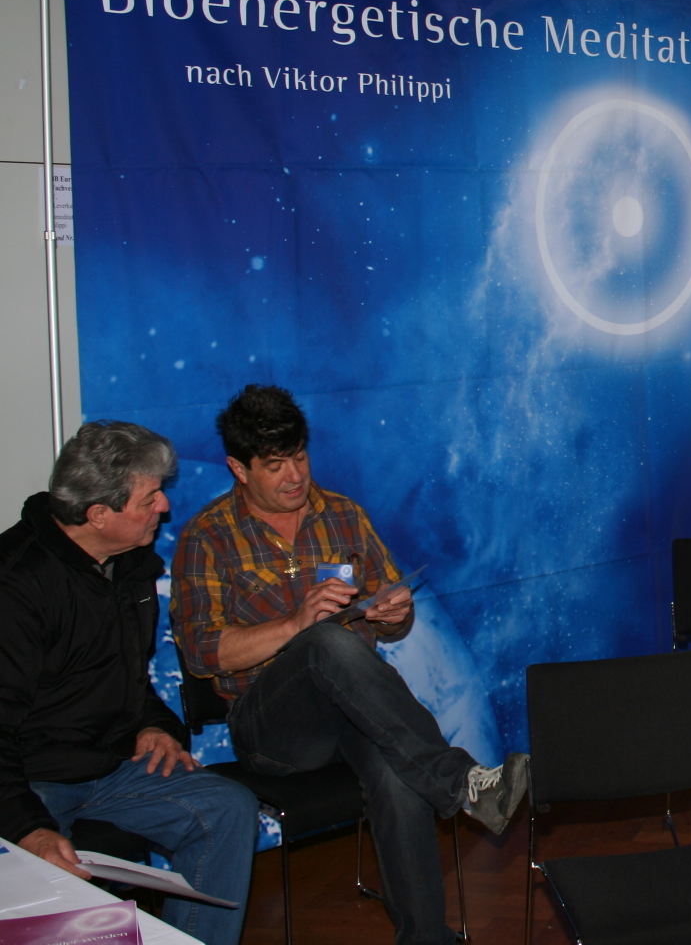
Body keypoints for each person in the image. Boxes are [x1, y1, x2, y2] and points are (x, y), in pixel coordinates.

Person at [171, 384, 527, 945]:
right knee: (324, 642)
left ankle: (425, 938)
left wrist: (394, 614)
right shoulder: (207, 537)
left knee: (396, 771)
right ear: (239, 469)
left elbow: (391, 616)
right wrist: (293, 625)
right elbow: (200, 652)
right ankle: (461, 781)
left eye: (300, 457)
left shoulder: (342, 515)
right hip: (271, 728)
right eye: (275, 466)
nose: (295, 476)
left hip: (354, 712)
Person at [0, 421, 256, 945]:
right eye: (149, 498)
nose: (164, 506)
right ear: (98, 514)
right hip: (30, 777)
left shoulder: (130, 565)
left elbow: (125, 678)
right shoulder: (15, 586)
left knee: (227, 808)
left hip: (110, 764)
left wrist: (155, 725)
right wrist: (28, 828)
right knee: (44, 877)